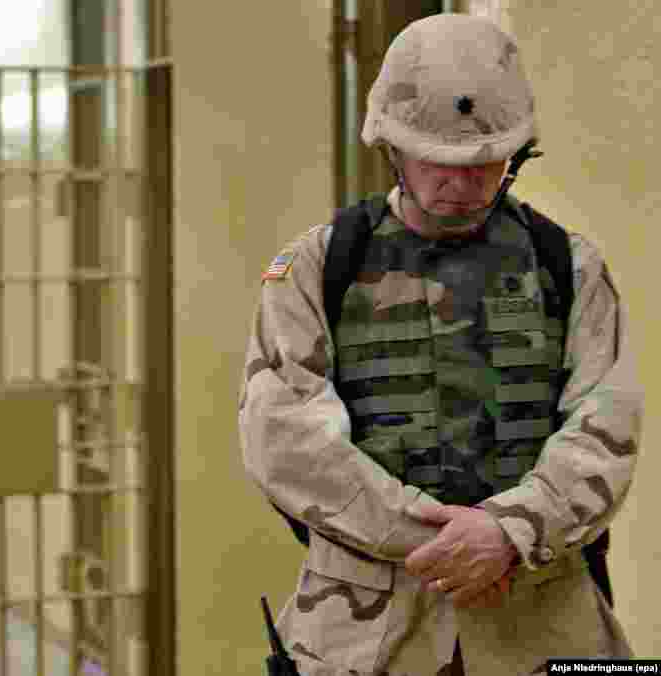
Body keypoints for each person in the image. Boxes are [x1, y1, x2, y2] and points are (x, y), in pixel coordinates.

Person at [238, 13, 643, 676]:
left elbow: (605, 428)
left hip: (540, 629)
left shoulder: (569, 267)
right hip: (367, 636)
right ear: (391, 145)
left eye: (485, 164)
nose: (461, 185)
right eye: (439, 162)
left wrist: (512, 533)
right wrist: (455, 542)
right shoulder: (318, 265)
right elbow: (281, 436)